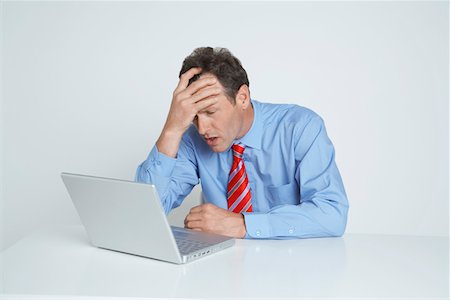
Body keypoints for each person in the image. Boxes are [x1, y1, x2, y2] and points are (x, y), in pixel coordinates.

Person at [136, 47, 349, 239]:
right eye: (194, 116)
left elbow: (332, 214)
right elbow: (145, 215)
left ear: (242, 98)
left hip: (292, 269)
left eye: (210, 112)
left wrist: (243, 224)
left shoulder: (299, 127)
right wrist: (172, 129)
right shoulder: (192, 140)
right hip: (222, 271)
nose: (202, 128)